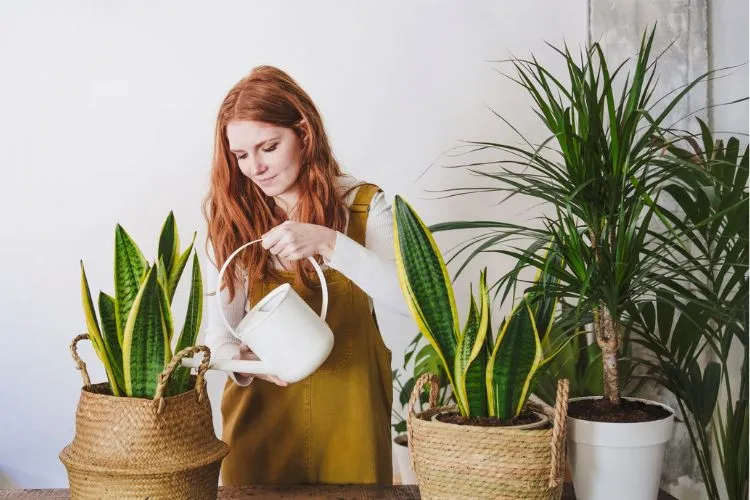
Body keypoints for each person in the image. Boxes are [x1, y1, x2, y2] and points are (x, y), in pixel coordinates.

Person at [202, 65, 409, 486]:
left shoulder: (365, 206)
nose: (255, 167)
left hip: (350, 417)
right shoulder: (237, 219)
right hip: (260, 419)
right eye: (241, 155)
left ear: (304, 134)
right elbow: (217, 334)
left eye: (269, 146)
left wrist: (330, 243)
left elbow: (409, 301)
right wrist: (244, 365)